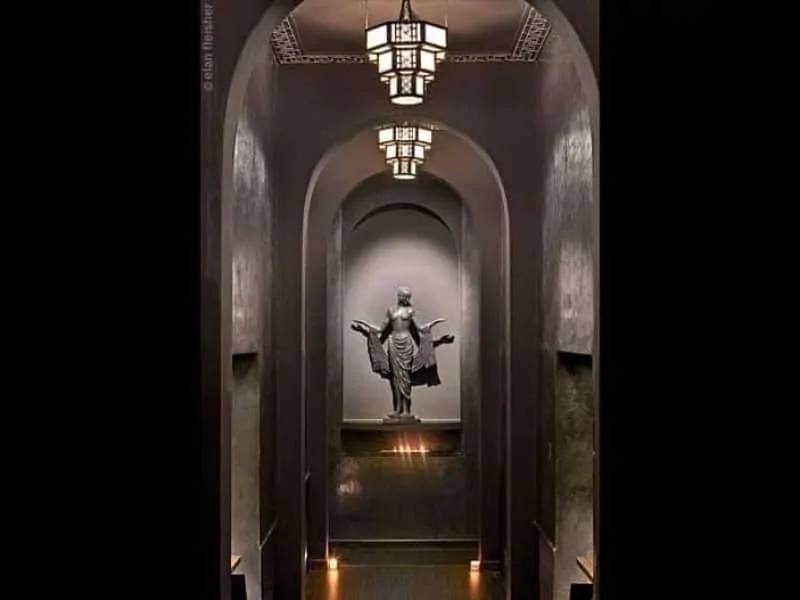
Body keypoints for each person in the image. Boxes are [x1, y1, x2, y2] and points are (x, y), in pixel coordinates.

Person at [351, 286, 454, 419]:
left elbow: (420, 329)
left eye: (408, 297)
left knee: (405, 376)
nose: (406, 299)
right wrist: (364, 327)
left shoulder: (411, 311)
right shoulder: (391, 310)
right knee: (395, 376)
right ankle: (397, 408)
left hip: (406, 343)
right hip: (393, 342)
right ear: (399, 296)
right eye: (404, 296)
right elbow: (381, 329)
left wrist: (437, 332)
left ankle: (406, 410)